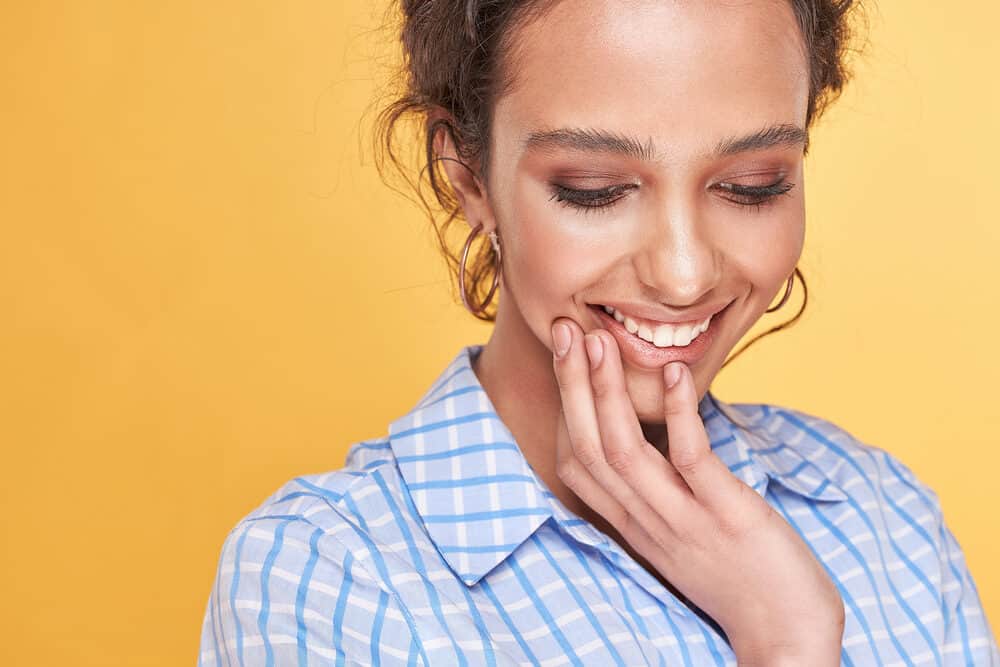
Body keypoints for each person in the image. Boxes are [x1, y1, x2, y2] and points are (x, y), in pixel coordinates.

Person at [199, 0, 1000, 664]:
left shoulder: (883, 520)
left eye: (752, 186)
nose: (684, 273)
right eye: (596, 189)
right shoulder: (329, 576)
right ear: (467, 176)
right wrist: (783, 643)